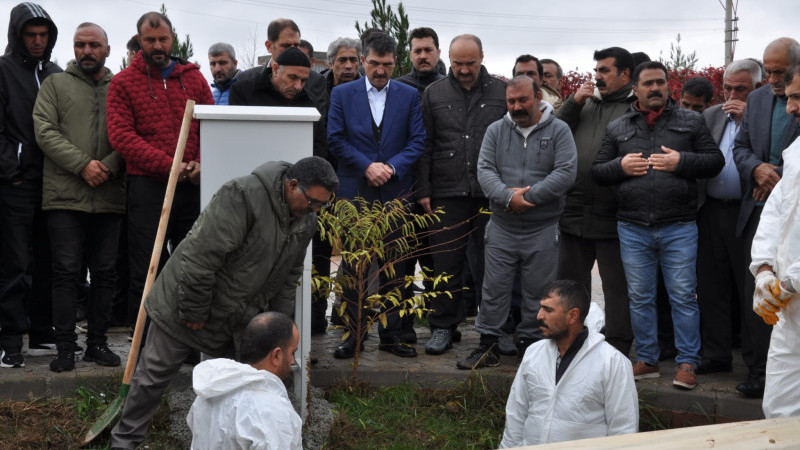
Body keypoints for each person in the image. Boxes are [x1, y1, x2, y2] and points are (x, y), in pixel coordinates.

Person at [110, 156, 337, 449]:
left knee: (242, 384)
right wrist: (194, 307)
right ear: (292, 185)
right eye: (313, 201)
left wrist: (274, 327)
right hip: (185, 302)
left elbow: (289, 274)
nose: (315, 210)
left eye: (322, 205)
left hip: (240, 315)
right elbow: (201, 256)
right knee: (153, 376)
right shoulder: (241, 196)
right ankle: (125, 441)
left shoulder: (306, 220)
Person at [592, 61, 724, 390]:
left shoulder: (690, 121)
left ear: (668, 86)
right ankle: (648, 360)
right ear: (634, 89)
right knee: (639, 297)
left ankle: (687, 363)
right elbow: (598, 170)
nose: (656, 88)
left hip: (679, 224)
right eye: (648, 83)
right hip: (632, 226)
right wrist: (621, 166)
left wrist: (682, 162)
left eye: (661, 82)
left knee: (682, 296)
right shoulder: (619, 127)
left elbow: (715, 161)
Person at [457, 76, 577, 370]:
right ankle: (488, 345)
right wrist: (508, 200)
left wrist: (531, 197)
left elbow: (566, 172)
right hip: (502, 227)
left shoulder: (560, 130)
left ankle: (531, 346)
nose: (516, 106)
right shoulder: (496, 130)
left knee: (539, 290)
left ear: (538, 97)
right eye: (511, 101)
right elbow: (484, 170)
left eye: (523, 100)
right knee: (494, 289)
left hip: (543, 227)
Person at [107, 11, 214, 333]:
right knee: (147, 268)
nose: (157, 45)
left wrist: (199, 164)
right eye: (150, 40)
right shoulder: (123, 82)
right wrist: (169, 165)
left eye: (163, 39)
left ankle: (187, 343)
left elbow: (211, 124)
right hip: (149, 188)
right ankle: (147, 341)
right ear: (139, 41)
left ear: (172, 39)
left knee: (194, 266)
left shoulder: (194, 78)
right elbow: (122, 136)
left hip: (193, 185)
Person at [33, 22, 124, 372]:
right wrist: (83, 164)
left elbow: (131, 132)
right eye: (80, 44)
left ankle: (97, 344)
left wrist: (110, 166)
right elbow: (44, 130)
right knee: (66, 273)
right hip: (64, 196)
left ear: (107, 49)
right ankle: (65, 348)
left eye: (94, 45)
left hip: (110, 194)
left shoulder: (120, 87)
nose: (86, 50)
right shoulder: (55, 85)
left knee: (104, 274)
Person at [328, 32, 425, 359]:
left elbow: (417, 142)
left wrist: (392, 167)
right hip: (356, 192)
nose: (380, 70)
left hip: (396, 193)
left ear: (395, 63)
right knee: (354, 267)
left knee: (396, 267)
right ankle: (351, 335)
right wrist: (368, 166)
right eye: (373, 63)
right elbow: (336, 140)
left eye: (386, 64)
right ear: (363, 60)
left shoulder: (409, 96)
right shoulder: (342, 94)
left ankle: (392, 335)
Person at [416, 34, 507, 356]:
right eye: (457, 63)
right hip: (445, 191)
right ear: (449, 59)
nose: (464, 69)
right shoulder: (434, 93)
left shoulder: (501, 92)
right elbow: (424, 144)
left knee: (493, 265)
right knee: (445, 264)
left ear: (482, 57)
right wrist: (424, 189)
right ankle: (443, 326)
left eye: (470, 63)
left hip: (490, 193)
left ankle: (495, 328)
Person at [556, 47, 636, 356]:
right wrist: (574, 103)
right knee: (569, 284)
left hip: (614, 212)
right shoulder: (586, 104)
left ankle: (617, 346)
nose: (597, 76)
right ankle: (569, 339)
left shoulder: (635, 107)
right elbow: (555, 131)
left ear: (626, 74)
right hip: (574, 208)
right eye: (597, 70)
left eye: (605, 70)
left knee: (617, 287)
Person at [732, 37, 800, 398]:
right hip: (755, 210)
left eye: (779, 71)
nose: (772, 78)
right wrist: (757, 170)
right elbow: (739, 147)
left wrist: (776, 178)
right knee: (758, 294)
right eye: (768, 70)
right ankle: (758, 371)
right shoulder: (756, 100)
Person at [500, 280, 638, 447]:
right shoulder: (533, 353)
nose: (539, 316)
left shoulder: (612, 361)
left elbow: (624, 429)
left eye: (548, 310)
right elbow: (516, 413)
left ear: (573, 315)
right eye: (541, 307)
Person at [0, 2, 61, 368]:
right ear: (17, 35)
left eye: (44, 35)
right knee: (13, 264)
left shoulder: (55, 73)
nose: (38, 41)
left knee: (49, 263)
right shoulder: (3, 71)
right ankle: (9, 340)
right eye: (31, 34)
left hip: (53, 184)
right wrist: (15, 167)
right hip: (16, 184)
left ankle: (40, 333)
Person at [696, 60, 763, 375]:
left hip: (748, 212)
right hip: (710, 210)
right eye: (727, 88)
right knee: (711, 286)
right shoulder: (711, 115)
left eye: (741, 89)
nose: (731, 95)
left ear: (757, 89)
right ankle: (716, 354)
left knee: (748, 288)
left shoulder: (765, 117)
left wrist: (747, 118)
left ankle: (754, 363)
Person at [750, 64, 800, 418]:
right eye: (790, 97)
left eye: (797, 97)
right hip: (789, 306)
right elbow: (776, 213)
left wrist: (791, 279)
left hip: (791, 289)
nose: (791, 108)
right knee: (781, 407)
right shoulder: (795, 152)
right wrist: (765, 271)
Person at [187, 312, 302, 450]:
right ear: (276, 355)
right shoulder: (272, 414)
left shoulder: (209, 394)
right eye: (292, 352)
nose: (292, 360)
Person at [238, 18, 327, 111]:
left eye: (296, 45)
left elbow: (318, 121)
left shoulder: (316, 80)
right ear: (269, 46)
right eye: (286, 46)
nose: (293, 50)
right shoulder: (246, 79)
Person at [397, 27, 445, 96]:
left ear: (438, 53)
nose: (423, 56)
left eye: (428, 50)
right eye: (417, 51)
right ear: (410, 56)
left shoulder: (451, 87)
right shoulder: (398, 88)